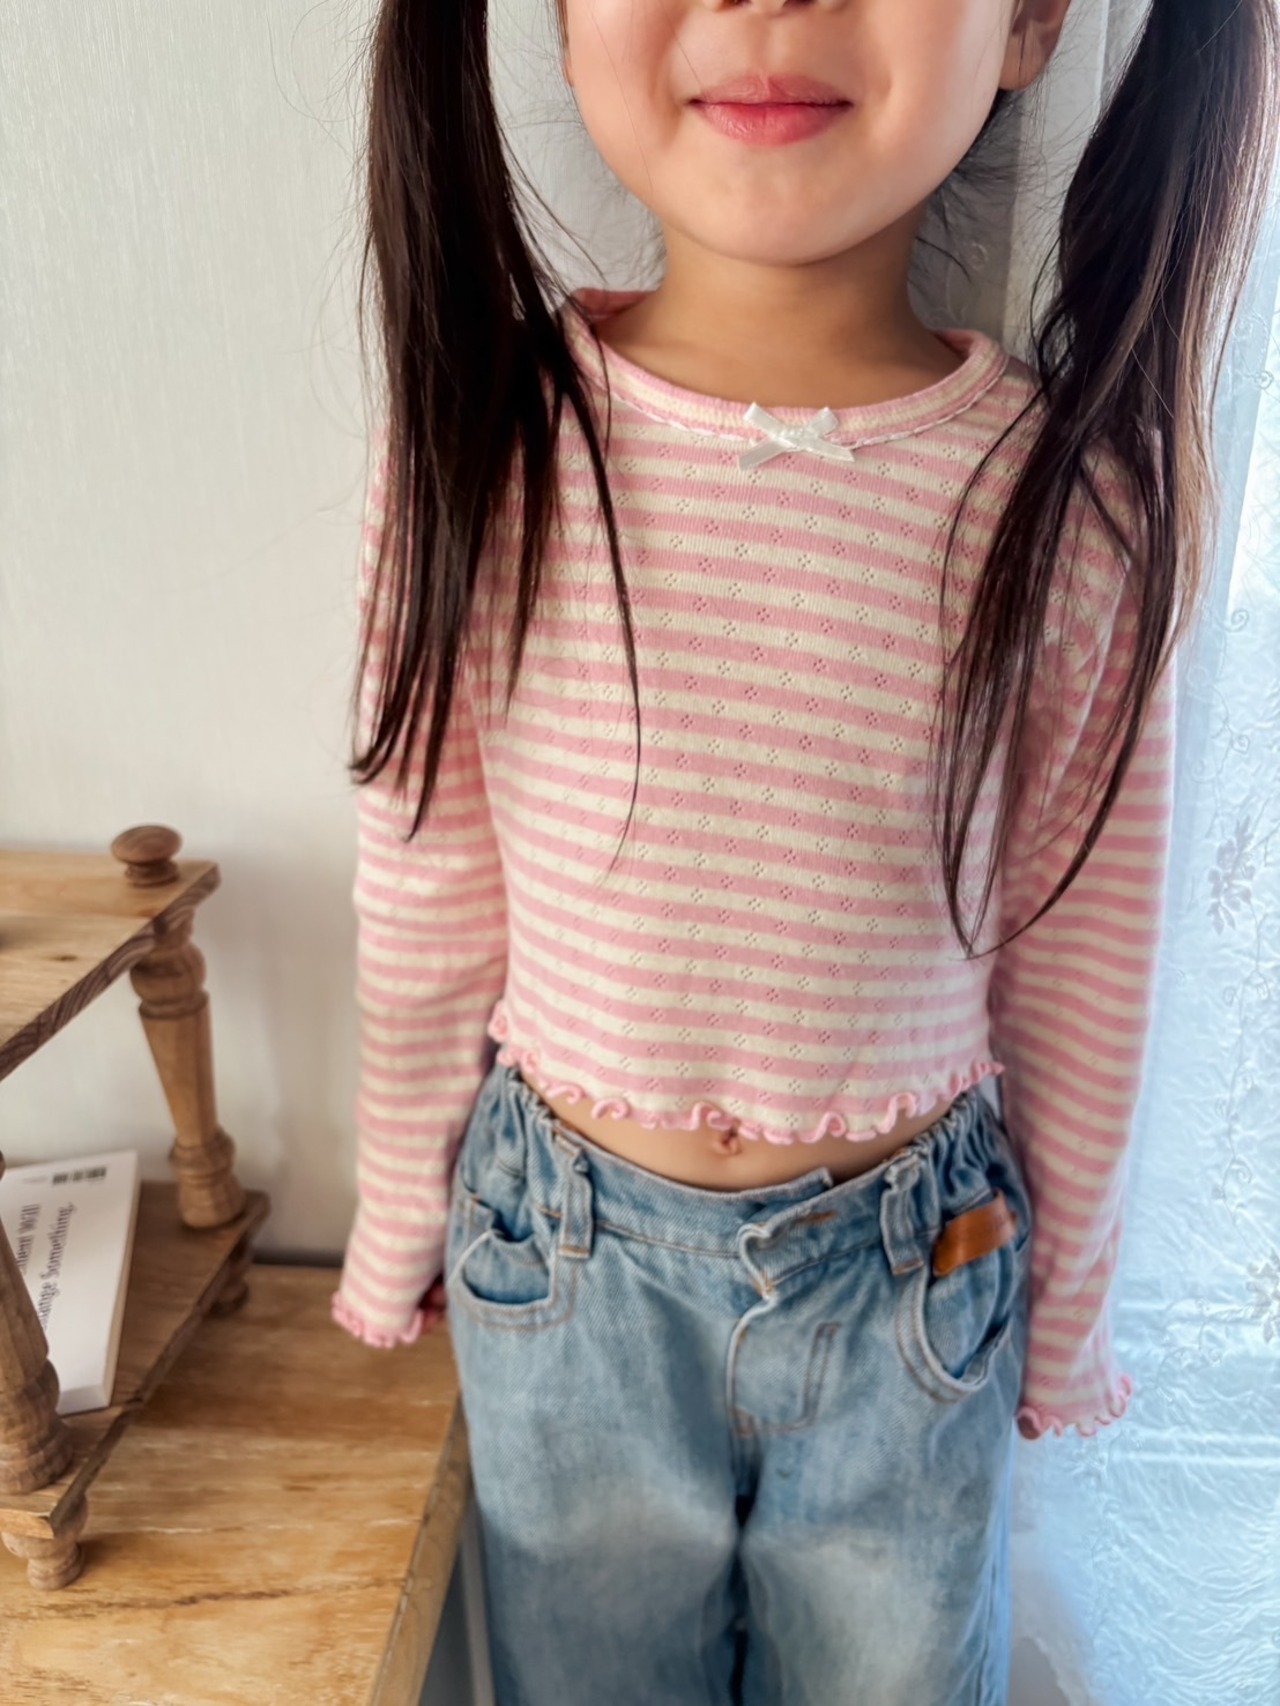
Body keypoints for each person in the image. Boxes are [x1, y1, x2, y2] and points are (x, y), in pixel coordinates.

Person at [329, 0, 1279, 1700]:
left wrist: (1067, 1316)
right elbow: (427, 886)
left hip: (915, 1298)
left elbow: (1081, 967)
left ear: (1031, 21)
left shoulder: (1064, 508)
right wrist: (396, 1211)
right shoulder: (488, 445)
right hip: (565, 1275)